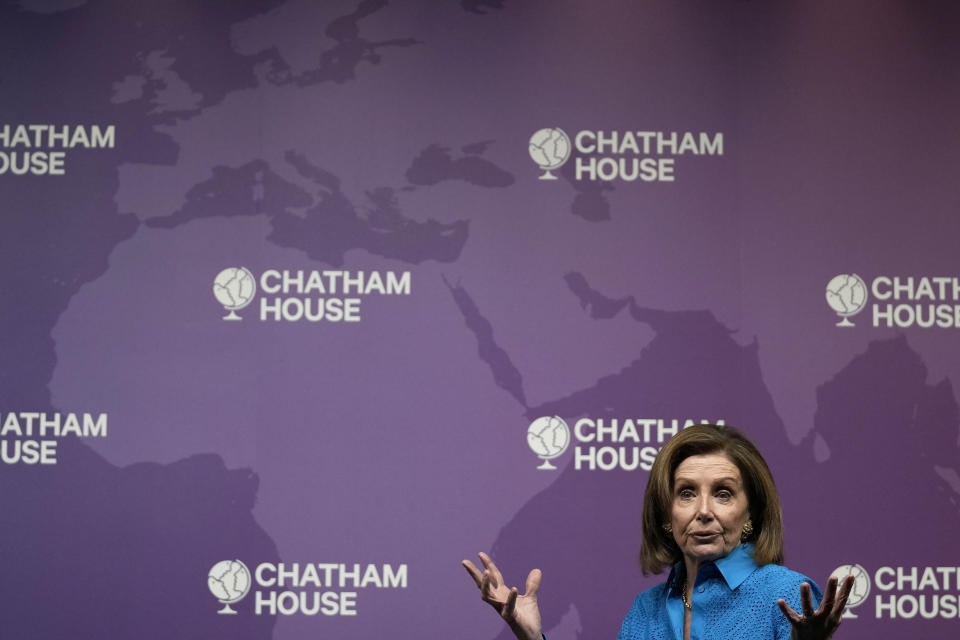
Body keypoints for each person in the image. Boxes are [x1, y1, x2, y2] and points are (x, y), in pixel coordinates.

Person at [463, 424, 855, 640]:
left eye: (722, 493)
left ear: (750, 513)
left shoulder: (784, 594)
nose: (703, 511)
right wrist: (532, 638)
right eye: (686, 493)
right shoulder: (645, 611)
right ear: (666, 514)